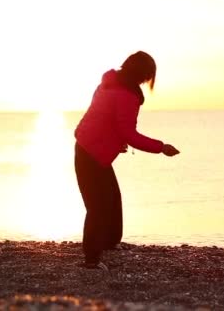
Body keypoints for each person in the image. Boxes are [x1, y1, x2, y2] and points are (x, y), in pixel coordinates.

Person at [74, 51, 180, 270]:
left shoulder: (107, 84)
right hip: (91, 153)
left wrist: (108, 141)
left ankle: (110, 242)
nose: (147, 80)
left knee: (112, 198)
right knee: (98, 206)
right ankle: (91, 260)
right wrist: (161, 147)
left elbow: (97, 116)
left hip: (88, 149)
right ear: (141, 73)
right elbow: (129, 133)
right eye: (148, 75)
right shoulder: (127, 95)